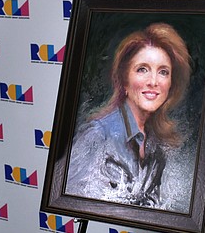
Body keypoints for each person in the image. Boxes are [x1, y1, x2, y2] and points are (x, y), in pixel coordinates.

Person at [65, 22, 192, 211]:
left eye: (163, 72)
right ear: (124, 80)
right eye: (142, 69)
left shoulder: (156, 146)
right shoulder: (97, 137)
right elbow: (73, 203)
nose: (153, 82)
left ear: (171, 84)